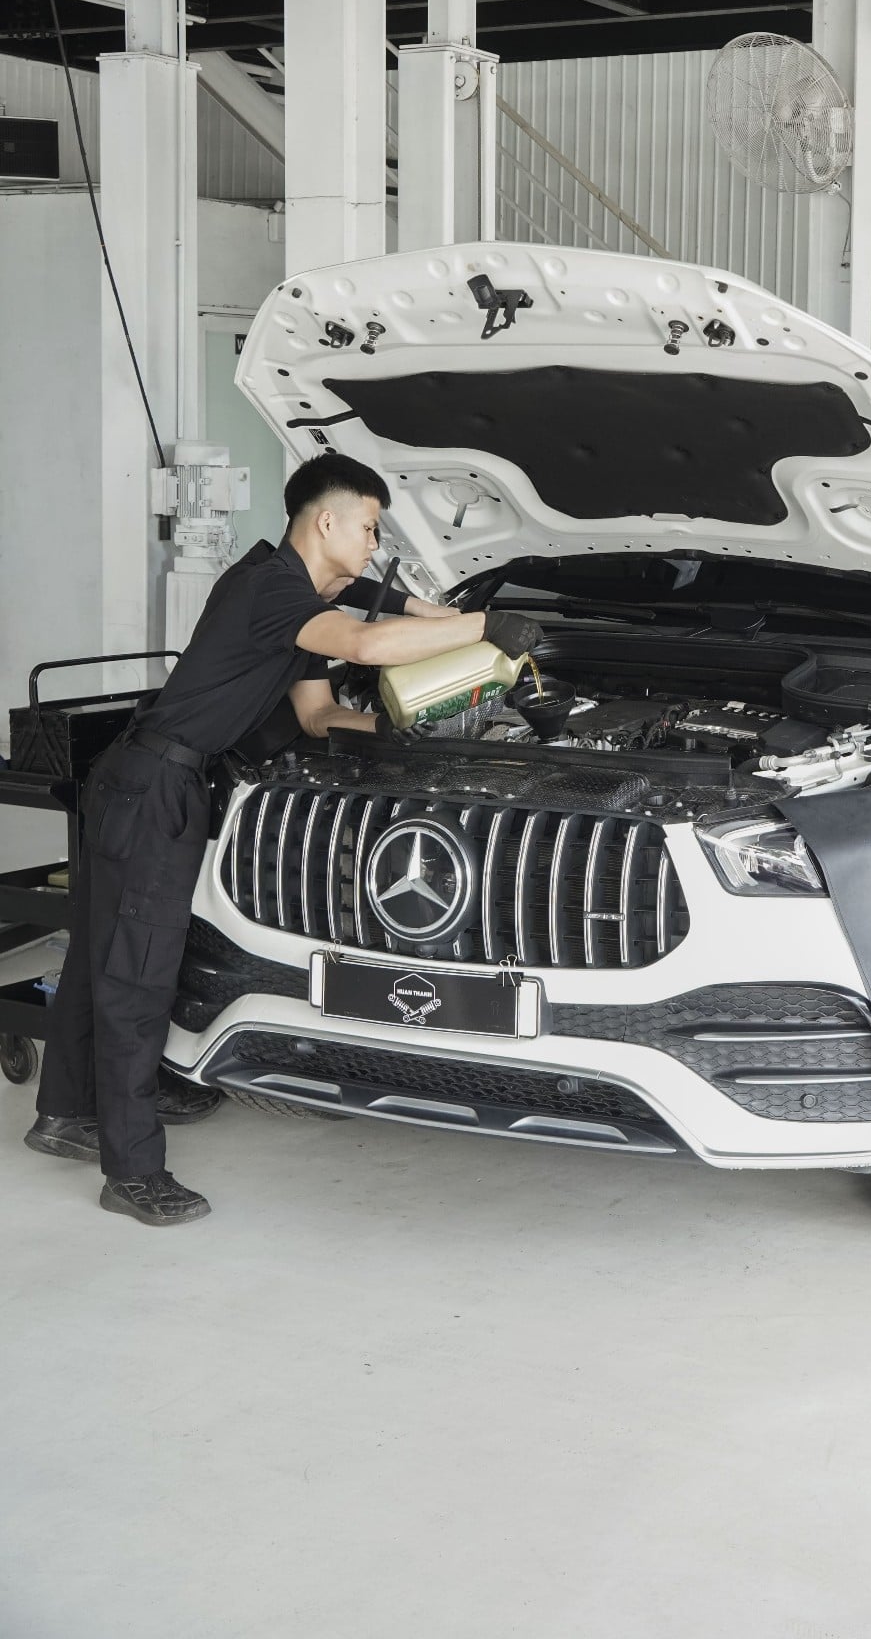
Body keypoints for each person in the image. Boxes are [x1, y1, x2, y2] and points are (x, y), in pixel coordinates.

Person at [24, 453, 542, 1227]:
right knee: (136, 978)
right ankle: (132, 1172)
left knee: (103, 955)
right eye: (369, 527)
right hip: (154, 786)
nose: (374, 543)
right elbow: (365, 645)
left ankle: (66, 1112)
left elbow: (317, 714)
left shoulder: (294, 597)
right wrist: (485, 627)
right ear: (326, 521)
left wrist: (399, 727)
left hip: (147, 781)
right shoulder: (271, 590)